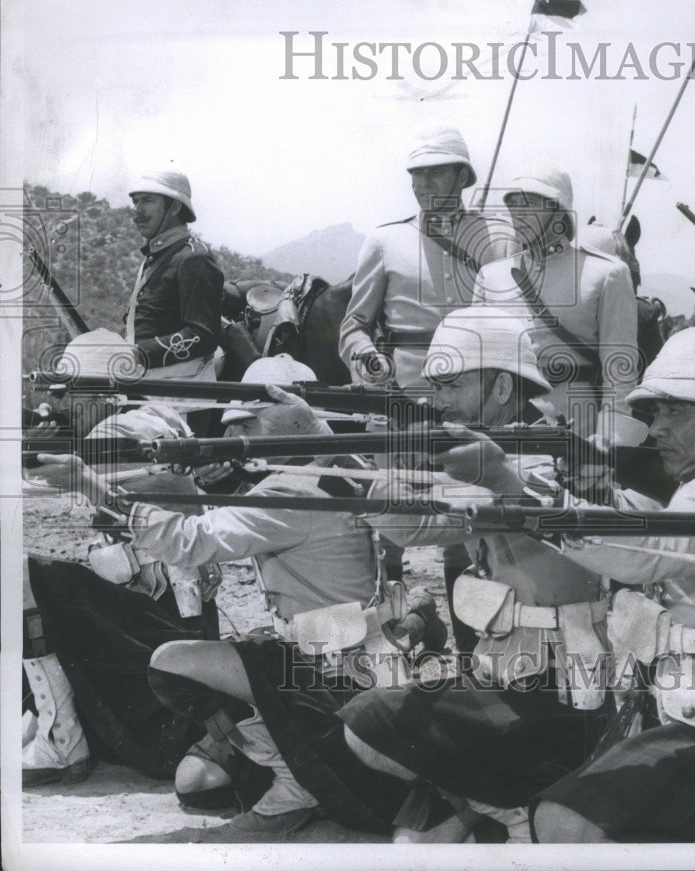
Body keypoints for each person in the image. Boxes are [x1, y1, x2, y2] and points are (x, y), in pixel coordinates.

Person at [35, 355, 416, 839]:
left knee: (172, 663)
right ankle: (294, 763)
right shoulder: (348, 465)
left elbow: (189, 542)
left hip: (325, 671)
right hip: (363, 660)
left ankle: (296, 782)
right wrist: (237, 481)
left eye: (251, 422)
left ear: (292, 415)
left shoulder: (291, 495)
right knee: (198, 783)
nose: (244, 435)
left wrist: (89, 485)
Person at [338, 307, 614, 843]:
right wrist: (358, 469)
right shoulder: (495, 455)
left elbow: (484, 505)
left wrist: (494, 478)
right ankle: (494, 803)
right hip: (501, 672)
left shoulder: (554, 461)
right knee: (411, 842)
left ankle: (516, 810)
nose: (439, 400)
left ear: (503, 387)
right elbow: (412, 530)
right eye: (436, 385)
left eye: (454, 384)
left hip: (561, 691)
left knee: (370, 722)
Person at [524, 327, 695, 843]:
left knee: (567, 821)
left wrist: (522, 498)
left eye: (674, 411)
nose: (655, 430)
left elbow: (655, 551)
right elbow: (664, 525)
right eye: (654, 413)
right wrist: (599, 494)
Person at [23, 330, 221, 787]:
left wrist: (31, 452)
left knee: (22, 576)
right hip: (183, 613)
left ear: (100, 391)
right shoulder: (162, 415)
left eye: (71, 390)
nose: (65, 401)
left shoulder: (113, 433)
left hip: (147, 626)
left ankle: (61, 736)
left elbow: (60, 495)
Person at [473, 160, 645, 448]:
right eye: (513, 204)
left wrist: (608, 439)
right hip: (499, 420)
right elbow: (476, 362)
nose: (518, 213)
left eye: (528, 204)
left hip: (576, 424)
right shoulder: (491, 276)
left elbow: (619, 368)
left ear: (558, 211)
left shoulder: (607, 274)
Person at [339, 126, 515, 389]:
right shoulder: (384, 241)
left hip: (479, 394)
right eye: (417, 173)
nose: (424, 183)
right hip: (404, 391)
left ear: (462, 176)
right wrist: (366, 355)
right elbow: (355, 324)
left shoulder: (500, 241)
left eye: (436, 172)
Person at [125, 168, 224, 385]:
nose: (138, 211)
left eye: (148, 201)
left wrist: (138, 353)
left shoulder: (193, 258)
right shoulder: (154, 258)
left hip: (183, 396)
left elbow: (203, 336)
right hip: (146, 386)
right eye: (136, 202)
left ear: (175, 207)